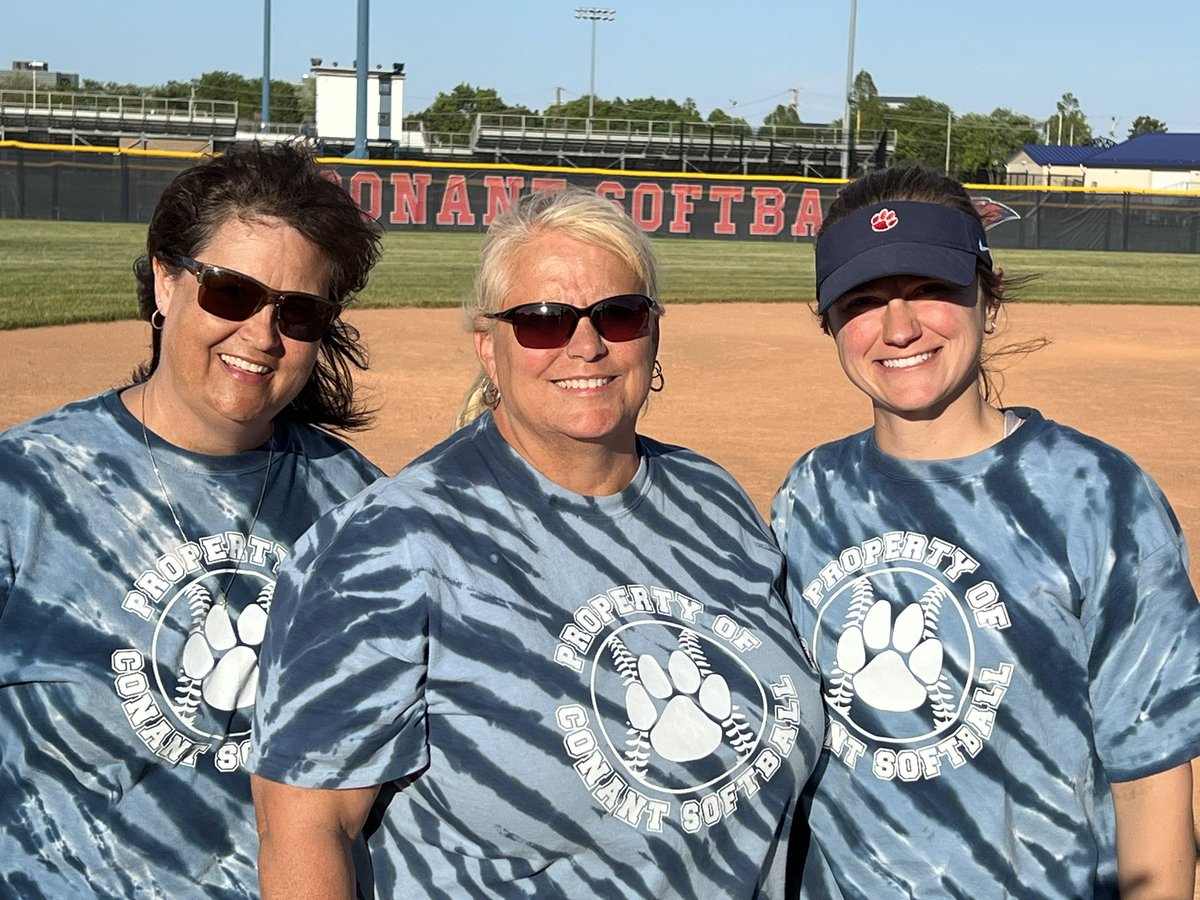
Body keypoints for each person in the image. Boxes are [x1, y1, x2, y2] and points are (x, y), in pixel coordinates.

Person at [249, 186, 825, 898]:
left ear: (653, 332)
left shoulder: (713, 499)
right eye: (543, 321)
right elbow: (305, 827)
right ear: (489, 348)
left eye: (620, 313)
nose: (587, 344)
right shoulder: (386, 544)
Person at [770, 163, 1200, 898]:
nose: (899, 327)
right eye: (863, 301)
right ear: (830, 323)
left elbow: (1151, 780)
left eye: (931, 289)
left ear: (987, 296)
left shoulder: (1096, 495)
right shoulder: (811, 493)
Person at [0, 142, 384, 897]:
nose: (262, 336)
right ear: (165, 282)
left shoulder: (363, 512)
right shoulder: (26, 485)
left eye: (299, 312)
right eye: (232, 294)